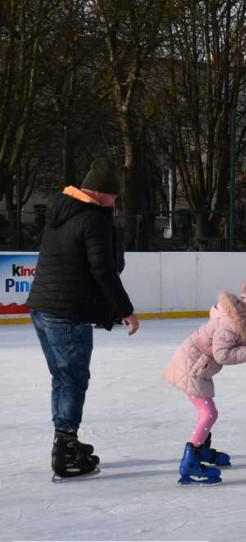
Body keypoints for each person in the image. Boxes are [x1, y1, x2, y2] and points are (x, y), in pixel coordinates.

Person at [26, 158, 140, 479]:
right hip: (67, 312)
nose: (115, 203)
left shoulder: (60, 211)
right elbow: (102, 271)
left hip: (42, 308)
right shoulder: (93, 220)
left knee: (62, 378)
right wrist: (125, 310)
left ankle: (65, 441)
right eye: (113, 197)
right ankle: (65, 451)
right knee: (73, 379)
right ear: (101, 193)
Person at [163, 279, 246, 485]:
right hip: (191, 368)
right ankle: (190, 461)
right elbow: (222, 354)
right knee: (209, 414)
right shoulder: (229, 325)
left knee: (208, 413)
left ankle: (203, 450)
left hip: (198, 367)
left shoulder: (244, 324)